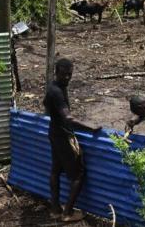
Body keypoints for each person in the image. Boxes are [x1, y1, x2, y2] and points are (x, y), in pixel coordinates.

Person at [43, 58, 101, 222]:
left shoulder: (55, 88)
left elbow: (46, 106)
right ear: (56, 72)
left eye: (70, 74)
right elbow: (68, 118)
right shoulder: (57, 92)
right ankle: (67, 213)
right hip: (62, 136)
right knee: (78, 174)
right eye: (64, 75)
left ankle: (55, 209)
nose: (67, 78)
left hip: (54, 132)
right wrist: (91, 128)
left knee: (55, 169)